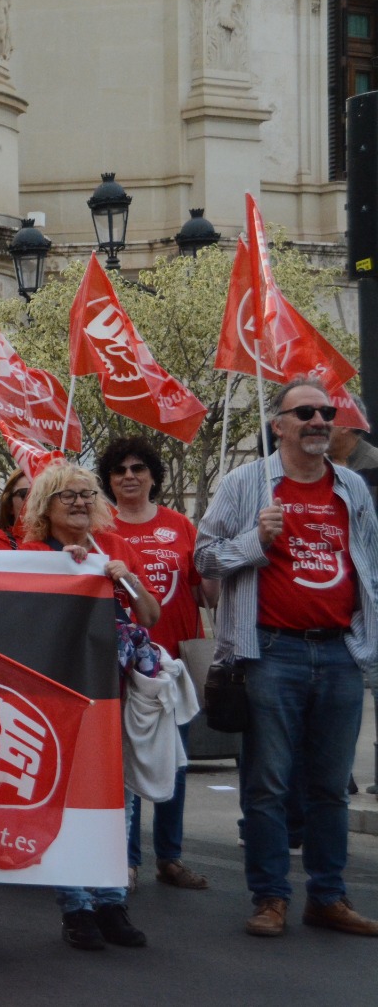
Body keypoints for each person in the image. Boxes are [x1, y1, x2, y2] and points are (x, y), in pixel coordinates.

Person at [195, 376, 378, 938]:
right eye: (305, 414)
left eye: (325, 412)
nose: (319, 420)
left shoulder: (351, 488)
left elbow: (368, 566)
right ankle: (270, 897)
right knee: (269, 785)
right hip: (272, 652)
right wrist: (257, 540)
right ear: (279, 426)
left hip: (340, 652)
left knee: (329, 786)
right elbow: (203, 557)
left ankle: (327, 896)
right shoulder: (245, 483)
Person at [16, 460, 157, 950]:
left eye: (86, 494)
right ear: (44, 507)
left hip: (111, 694)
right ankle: (76, 907)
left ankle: (113, 901)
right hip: (57, 696)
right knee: (65, 798)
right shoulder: (31, 554)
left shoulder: (115, 548)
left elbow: (150, 614)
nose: (79, 503)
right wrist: (58, 572)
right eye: (66, 495)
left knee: (118, 799)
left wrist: (126, 580)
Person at [98, 437, 214, 893]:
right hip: (123, 669)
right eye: (120, 470)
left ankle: (171, 856)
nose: (129, 476)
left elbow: (206, 590)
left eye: (138, 468)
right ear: (108, 480)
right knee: (125, 768)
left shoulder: (182, 525)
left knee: (174, 764)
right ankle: (126, 859)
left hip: (173, 667)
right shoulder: (101, 530)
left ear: (153, 476)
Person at [0, 468, 32, 550]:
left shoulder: (57, 540)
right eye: (25, 494)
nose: (34, 501)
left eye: (39, 494)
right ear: (10, 506)